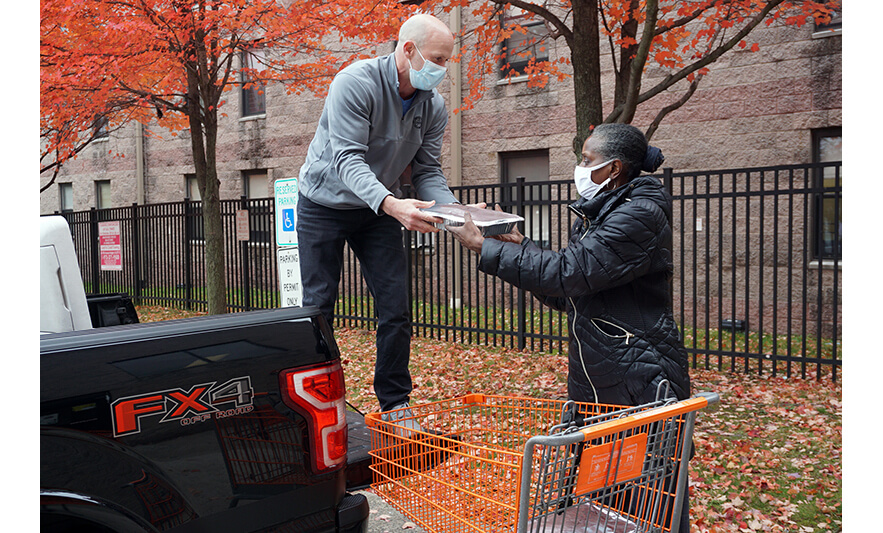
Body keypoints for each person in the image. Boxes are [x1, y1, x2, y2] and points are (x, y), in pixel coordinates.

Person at [447, 123, 692, 531]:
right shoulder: (601, 211)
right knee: (604, 505)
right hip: (600, 381)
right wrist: (514, 245)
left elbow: (569, 272)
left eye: (586, 160)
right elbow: (571, 293)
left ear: (613, 169)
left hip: (639, 381)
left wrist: (484, 247)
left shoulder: (639, 215)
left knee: (649, 504)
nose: (579, 167)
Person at [296, 14, 479, 429]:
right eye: (437, 58)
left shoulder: (433, 108)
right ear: (408, 49)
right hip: (323, 203)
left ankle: (395, 403)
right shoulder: (354, 83)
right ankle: (317, 402)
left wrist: (454, 214)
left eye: (447, 61)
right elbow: (346, 158)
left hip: (377, 209)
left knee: (395, 308)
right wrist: (393, 204)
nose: (442, 69)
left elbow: (427, 171)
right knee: (318, 308)